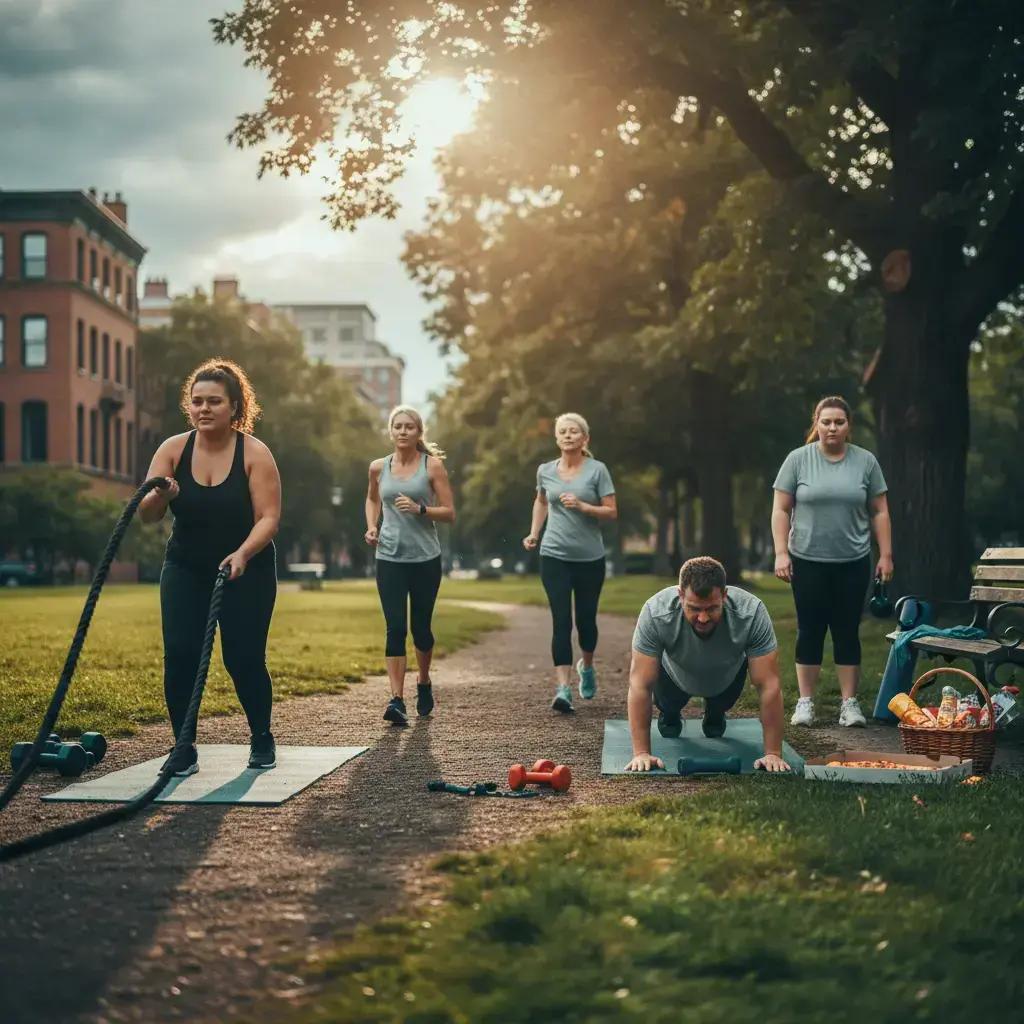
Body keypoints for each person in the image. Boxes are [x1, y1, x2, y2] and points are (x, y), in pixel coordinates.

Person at [140, 359, 282, 775]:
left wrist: (242, 554)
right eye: (197, 401)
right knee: (180, 655)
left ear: (235, 406)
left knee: (243, 658)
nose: (204, 408)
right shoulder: (172, 450)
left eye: (215, 401)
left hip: (247, 566)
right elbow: (147, 515)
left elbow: (269, 518)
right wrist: (161, 496)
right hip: (186, 565)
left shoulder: (255, 454)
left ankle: (261, 736)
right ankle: (183, 747)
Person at [771, 395, 893, 728]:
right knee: (809, 630)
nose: (832, 427)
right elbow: (781, 509)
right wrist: (781, 552)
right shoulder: (798, 460)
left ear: (848, 426)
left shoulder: (865, 462)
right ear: (816, 424)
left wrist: (885, 555)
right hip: (807, 560)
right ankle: (806, 703)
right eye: (826, 421)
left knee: (846, 631)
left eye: (839, 421)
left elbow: (880, 510)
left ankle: (849, 705)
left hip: (852, 561)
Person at [625, 557, 790, 773]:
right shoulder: (656, 612)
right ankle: (670, 713)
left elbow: (769, 684)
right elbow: (639, 684)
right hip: (675, 674)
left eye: (712, 608)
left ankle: (715, 712)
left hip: (726, 676)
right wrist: (641, 753)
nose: (702, 618)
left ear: (724, 595)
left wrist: (773, 753)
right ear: (680, 595)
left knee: (718, 716)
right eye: (694, 608)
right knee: (667, 709)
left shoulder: (751, 613)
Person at [365, 406, 455, 727]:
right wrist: (372, 525)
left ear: (418, 433)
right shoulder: (378, 467)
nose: (403, 431)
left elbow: (449, 512)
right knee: (394, 629)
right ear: (391, 431)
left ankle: (425, 681)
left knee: (421, 630)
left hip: (425, 560)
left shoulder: (433, 466)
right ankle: (397, 699)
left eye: (409, 427)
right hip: (389, 558)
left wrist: (420, 509)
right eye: (398, 426)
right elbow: (373, 498)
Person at [523, 412, 617, 713]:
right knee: (561, 621)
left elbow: (611, 511)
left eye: (573, 431)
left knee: (586, 622)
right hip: (554, 555)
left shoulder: (597, 470)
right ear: (557, 438)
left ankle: (586, 667)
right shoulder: (545, 471)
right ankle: (562, 689)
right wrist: (534, 533)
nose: (567, 435)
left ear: (584, 438)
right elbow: (540, 501)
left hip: (590, 557)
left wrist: (583, 506)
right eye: (562, 431)